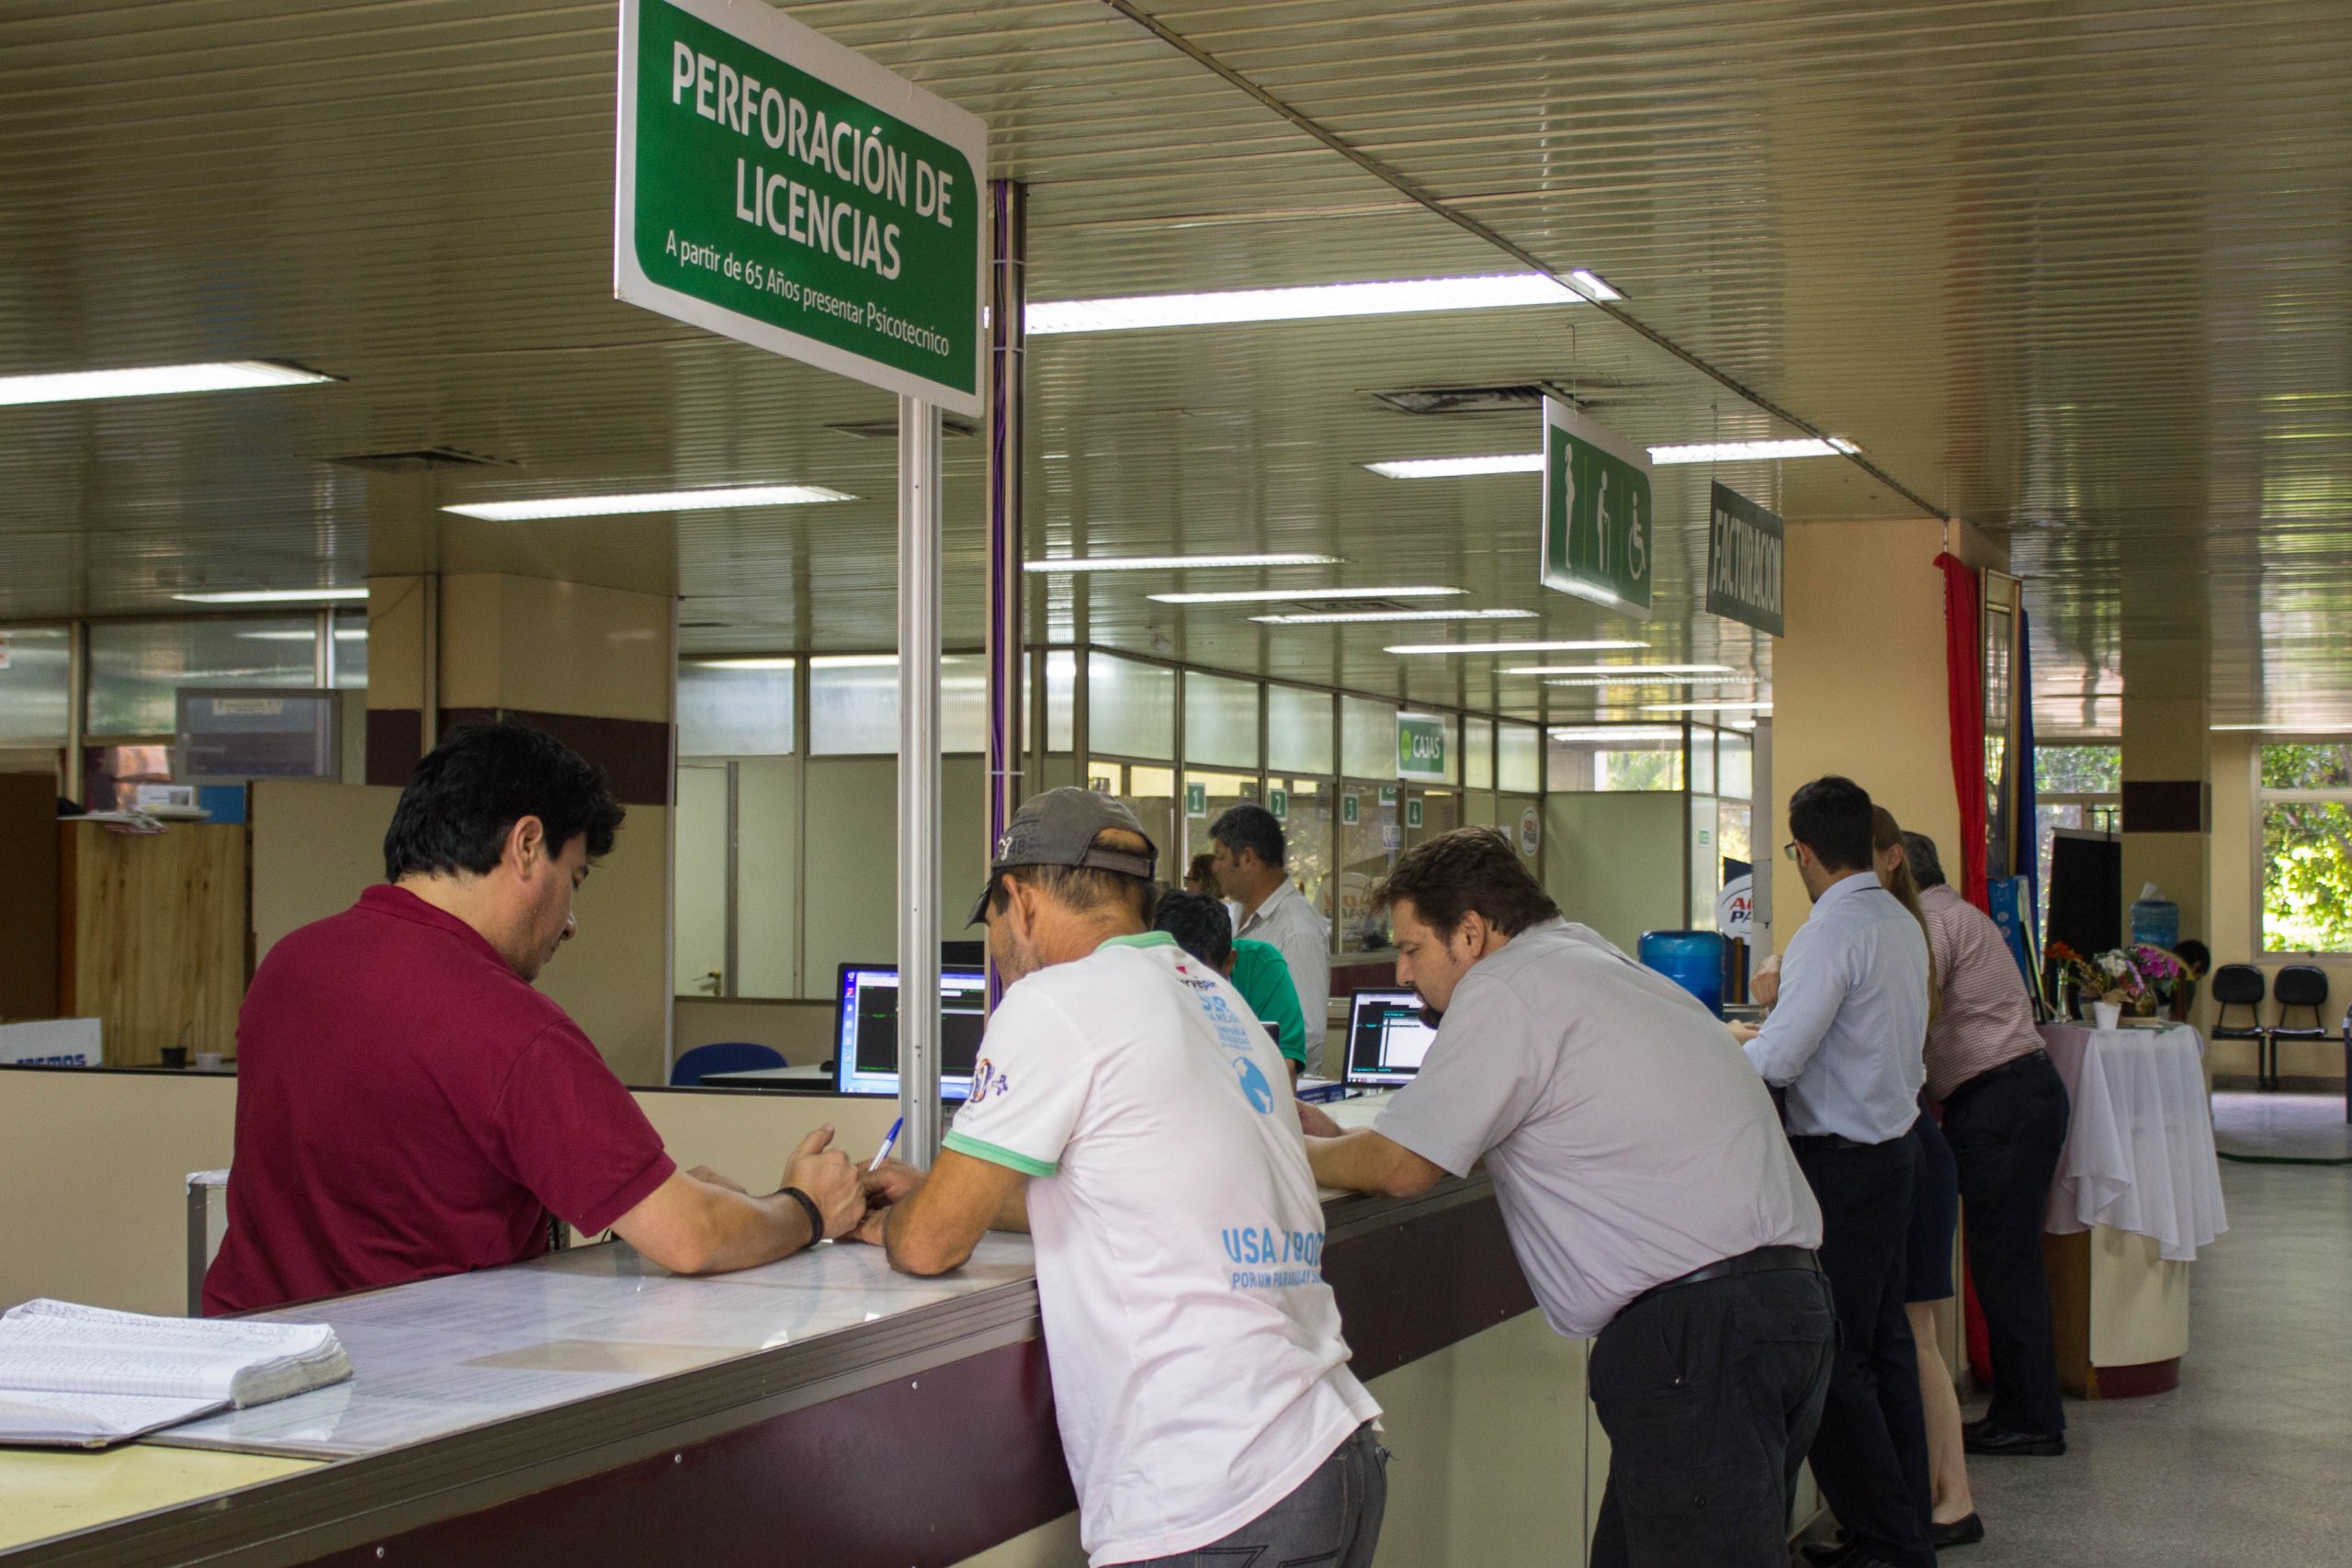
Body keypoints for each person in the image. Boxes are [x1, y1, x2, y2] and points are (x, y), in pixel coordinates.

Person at [856, 789, 1385, 1568]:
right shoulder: (1220, 999)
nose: (1000, 947)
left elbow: (931, 1244)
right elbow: (1123, 1189)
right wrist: (939, 1187)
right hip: (1327, 1454)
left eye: (996, 923)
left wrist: (885, 1221)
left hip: (1219, 1496)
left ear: (1021, 901)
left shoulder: (1054, 1001)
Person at [203, 723, 865, 1316]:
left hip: (251, 1369)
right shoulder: (507, 1026)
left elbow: (399, 1188)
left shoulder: (288, 967)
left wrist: (649, 1198)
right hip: (413, 1392)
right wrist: (804, 1208)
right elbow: (691, 1237)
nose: (571, 922)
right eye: (573, 877)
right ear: (525, 844)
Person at [1304, 828, 1832, 1568]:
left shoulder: (1505, 986)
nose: (1401, 969)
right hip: (1778, 1308)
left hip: (1698, 1337)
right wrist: (1338, 1137)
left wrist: (1287, 1150)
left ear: (1471, 932)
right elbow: (1473, 1126)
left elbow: (1402, 1165)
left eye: (1413, 947)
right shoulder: (1584, 958)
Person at [1736, 777, 1935, 1568]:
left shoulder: (1829, 931)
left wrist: (1726, 1051)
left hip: (1843, 1167)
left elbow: (1781, 1058)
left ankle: (1887, 1539)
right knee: (1882, 1347)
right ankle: (1904, 1523)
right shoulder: (1897, 919)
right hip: (1894, 1151)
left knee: (1835, 1358)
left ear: (1805, 852)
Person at [1904, 830, 2073, 1458]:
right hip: (2017, 1095)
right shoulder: (1959, 914)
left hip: (2000, 1100)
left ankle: (2030, 1417)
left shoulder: (1931, 923)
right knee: (2009, 1262)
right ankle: (2023, 1407)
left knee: (2005, 1264)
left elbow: (1906, 1016)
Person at [1209, 803, 1331, 1070]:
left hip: (1279, 1094)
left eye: (1219, 856)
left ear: (1248, 859)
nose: (1214, 868)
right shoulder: (1231, 916)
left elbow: (1307, 1034)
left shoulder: (1297, 929)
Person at [1154, 888, 1310, 1076]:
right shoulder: (1138, 970)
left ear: (1229, 962)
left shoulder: (1260, 967)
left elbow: (1283, 1070)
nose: (1186, 987)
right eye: (1174, 973)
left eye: (1197, 980)